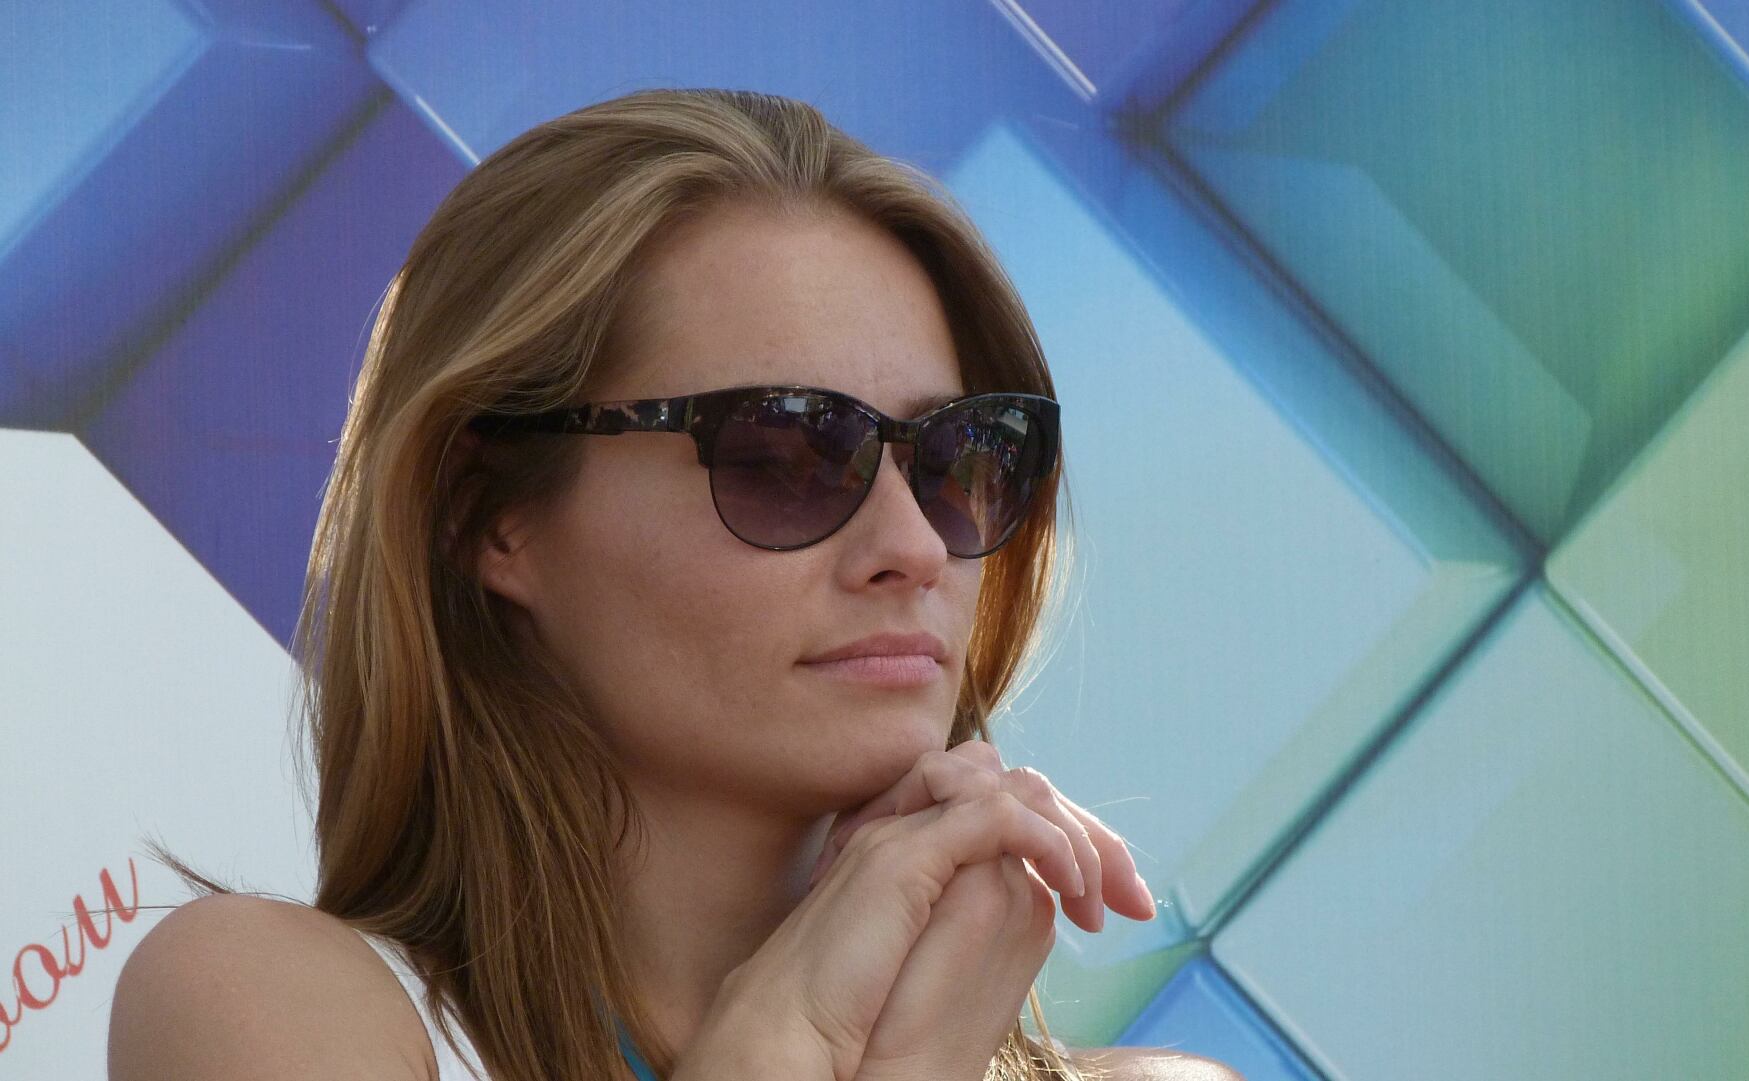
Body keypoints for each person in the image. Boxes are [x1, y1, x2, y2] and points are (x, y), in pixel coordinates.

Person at [105, 88, 1242, 1081]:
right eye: (786, 454)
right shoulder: (272, 1004)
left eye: (961, 456)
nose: (914, 544)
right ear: (483, 513)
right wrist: (810, 1042)